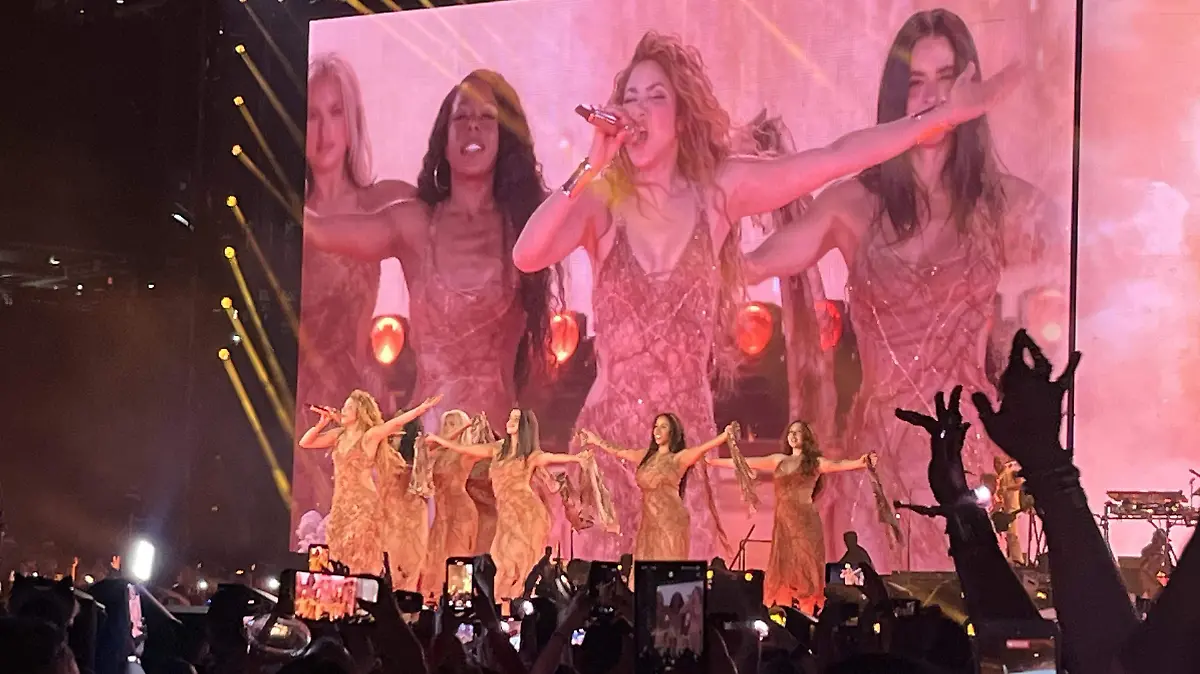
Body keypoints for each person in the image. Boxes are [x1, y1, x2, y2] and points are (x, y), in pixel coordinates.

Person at [513, 30, 1018, 562]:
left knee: (680, 601)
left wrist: (942, 117)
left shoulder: (716, 193)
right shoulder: (602, 201)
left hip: (685, 453)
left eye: (655, 97)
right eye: (630, 97)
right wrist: (590, 166)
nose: (638, 110)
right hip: (608, 449)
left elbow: (835, 157)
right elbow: (527, 255)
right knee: (604, 602)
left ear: (681, 117)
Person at [744, 10, 1059, 572]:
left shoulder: (1006, 205)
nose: (933, 97)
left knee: (969, 605)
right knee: (878, 607)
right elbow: (749, 267)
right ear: (895, 96)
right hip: (878, 454)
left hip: (965, 452)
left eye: (946, 78)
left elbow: (1073, 271)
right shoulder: (853, 204)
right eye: (916, 82)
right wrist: (702, 194)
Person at [304, 68, 563, 445]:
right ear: (444, 137)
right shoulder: (414, 225)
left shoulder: (525, 228)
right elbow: (317, 230)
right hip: (424, 450)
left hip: (495, 452)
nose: (473, 127)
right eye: (461, 117)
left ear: (503, 137)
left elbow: (580, 211)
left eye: (486, 117)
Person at [295, 54, 418, 531]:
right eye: (312, 114)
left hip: (354, 402)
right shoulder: (284, 217)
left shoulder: (380, 202)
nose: (324, 130)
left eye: (336, 112)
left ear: (352, 121)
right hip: (294, 404)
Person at [709, 420, 876, 612]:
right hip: (784, 527)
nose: (793, 435)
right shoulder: (778, 460)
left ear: (806, 437)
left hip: (806, 524)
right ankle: (783, 615)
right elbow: (745, 462)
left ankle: (807, 616)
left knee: (805, 573)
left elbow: (838, 465)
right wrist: (713, 462)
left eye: (798, 432)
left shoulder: (814, 463)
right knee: (783, 575)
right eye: (790, 432)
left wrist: (862, 461)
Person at [426, 409, 589, 600]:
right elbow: (465, 449)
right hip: (506, 515)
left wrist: (577, 458)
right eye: (510, 417)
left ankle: (517, 606)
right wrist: (440, 440)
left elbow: (550, 457)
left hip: (527, 514)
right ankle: (501, 607)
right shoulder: (497, 449)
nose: (510, 421)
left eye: (516, 419)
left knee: (518, 566)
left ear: (524, 426)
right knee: (500, 562)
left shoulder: (530, 455)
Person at [298, 391, 441, 573]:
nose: (343, 410)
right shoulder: (338, 435)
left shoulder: (369, 436)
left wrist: (421, 409)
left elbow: (394, 424)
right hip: (341, 505)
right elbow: (305, 442)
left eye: (349, 407)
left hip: (363, 505)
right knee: (338, 553)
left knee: (361, 555)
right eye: (344, 407)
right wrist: (322, 423)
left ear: (360, 412)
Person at [578, 414, 734, 561]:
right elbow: (620, 452)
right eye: (655, 426)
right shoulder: (646, 456)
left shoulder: (678, 458)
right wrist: (595, 440)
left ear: (672, 432)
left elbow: (702, 449)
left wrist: (724, 436)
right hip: (649, 523)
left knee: (667, 571)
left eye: (663, 427)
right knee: (644, 570)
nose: (657, 431)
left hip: (671, 523)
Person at [418, 410, 490, 598]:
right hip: (441, 517)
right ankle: (433, 605)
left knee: (457, 561)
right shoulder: (436, 454)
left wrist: (467, 427)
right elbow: (428, 448)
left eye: (453, 424)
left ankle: (459, 605)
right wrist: (454, 433)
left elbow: (487, 449)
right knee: (435, 561)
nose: (448, 428)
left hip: (461, 514)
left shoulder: (465, 455)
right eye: (446, 424)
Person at [377, 416, 430, 592]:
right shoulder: (384, 454)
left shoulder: (418, 460)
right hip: (388, 516)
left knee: (407, 573)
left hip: (410, 520)